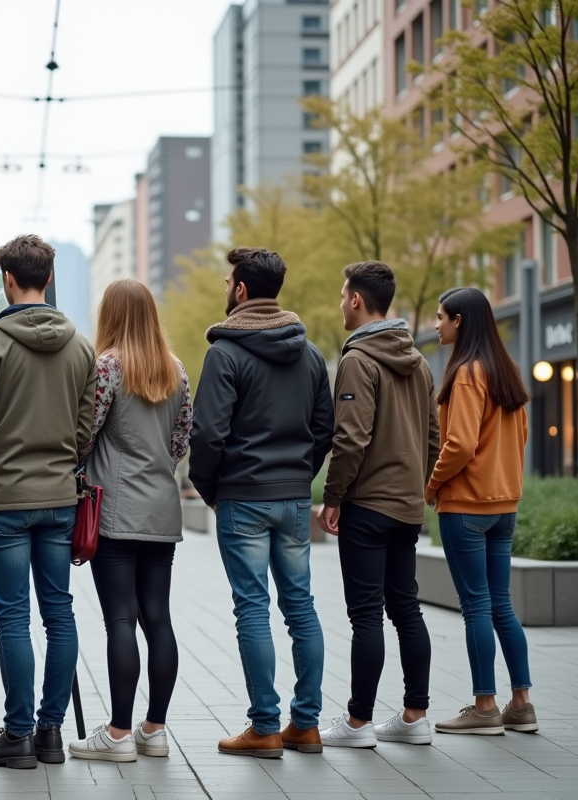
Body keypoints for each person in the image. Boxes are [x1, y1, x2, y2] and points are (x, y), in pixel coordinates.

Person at [0, 234, 96, 769]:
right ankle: (51, 733)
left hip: (4, 499)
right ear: (49, 278)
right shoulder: (81, 346)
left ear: (8, 279)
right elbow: (85, 433)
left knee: (13, 617)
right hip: (60, 498)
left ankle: (16, 736)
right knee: (59, 612)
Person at [188, 246, 334, 759]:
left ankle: (265, 726)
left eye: (230, 282)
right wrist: (299, 476)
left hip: (243, 498)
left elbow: (206, 435)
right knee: (301, 607)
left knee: (252, 608)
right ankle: (308, 725)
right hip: (293, 498)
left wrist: (211, 488)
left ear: (242, 290)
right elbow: (324, 430)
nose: (227, 289)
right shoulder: (311, 354)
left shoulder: (225, 354)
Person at [67, 279, 192, 763]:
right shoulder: (175, 369)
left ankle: (118, 733)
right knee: (157, 618)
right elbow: (181, 442)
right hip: (163, 509)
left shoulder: (107, 366)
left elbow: (85, 434)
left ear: (111, 316)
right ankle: (153, 730)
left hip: (115, 511)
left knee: (120, 618)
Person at [317, 262, 439, 748]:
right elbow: (434, 437)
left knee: (366, 615)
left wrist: (334, 497)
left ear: (356, 300)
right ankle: (415, 716)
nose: (340, 302)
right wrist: (415, 487)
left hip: (367, 506)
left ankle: (359, 723)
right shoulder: (420, 360)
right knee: (406, 610)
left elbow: (349, 439)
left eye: (343, 294)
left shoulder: (358, 360)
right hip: (407, 508)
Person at [427, 287, 536, 736]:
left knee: (475, 607)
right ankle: (522, 703)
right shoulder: (506, 372)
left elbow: (460, 443)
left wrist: (432, 484)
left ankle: (485, 707)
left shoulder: (468, 373)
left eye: (441, 317)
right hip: (503, 506)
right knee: (500, 604)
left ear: (460, 322)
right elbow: (521, 437)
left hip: (465, 507)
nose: (436, 325)